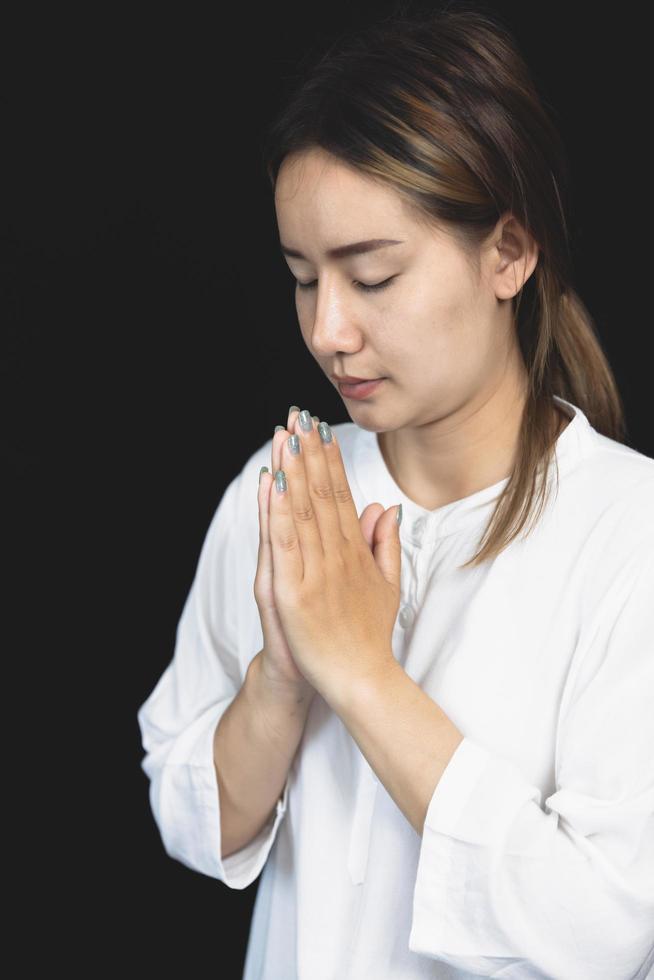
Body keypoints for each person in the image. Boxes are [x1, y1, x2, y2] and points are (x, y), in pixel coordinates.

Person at [137, 6, 654, 978]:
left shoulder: (631, 536)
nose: (328, 328)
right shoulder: (283, 485)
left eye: (372, 276)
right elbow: (191, 814)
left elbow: (601, 929)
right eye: (302, 277)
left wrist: (361, 672)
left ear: (510, 250)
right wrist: (284, 676)